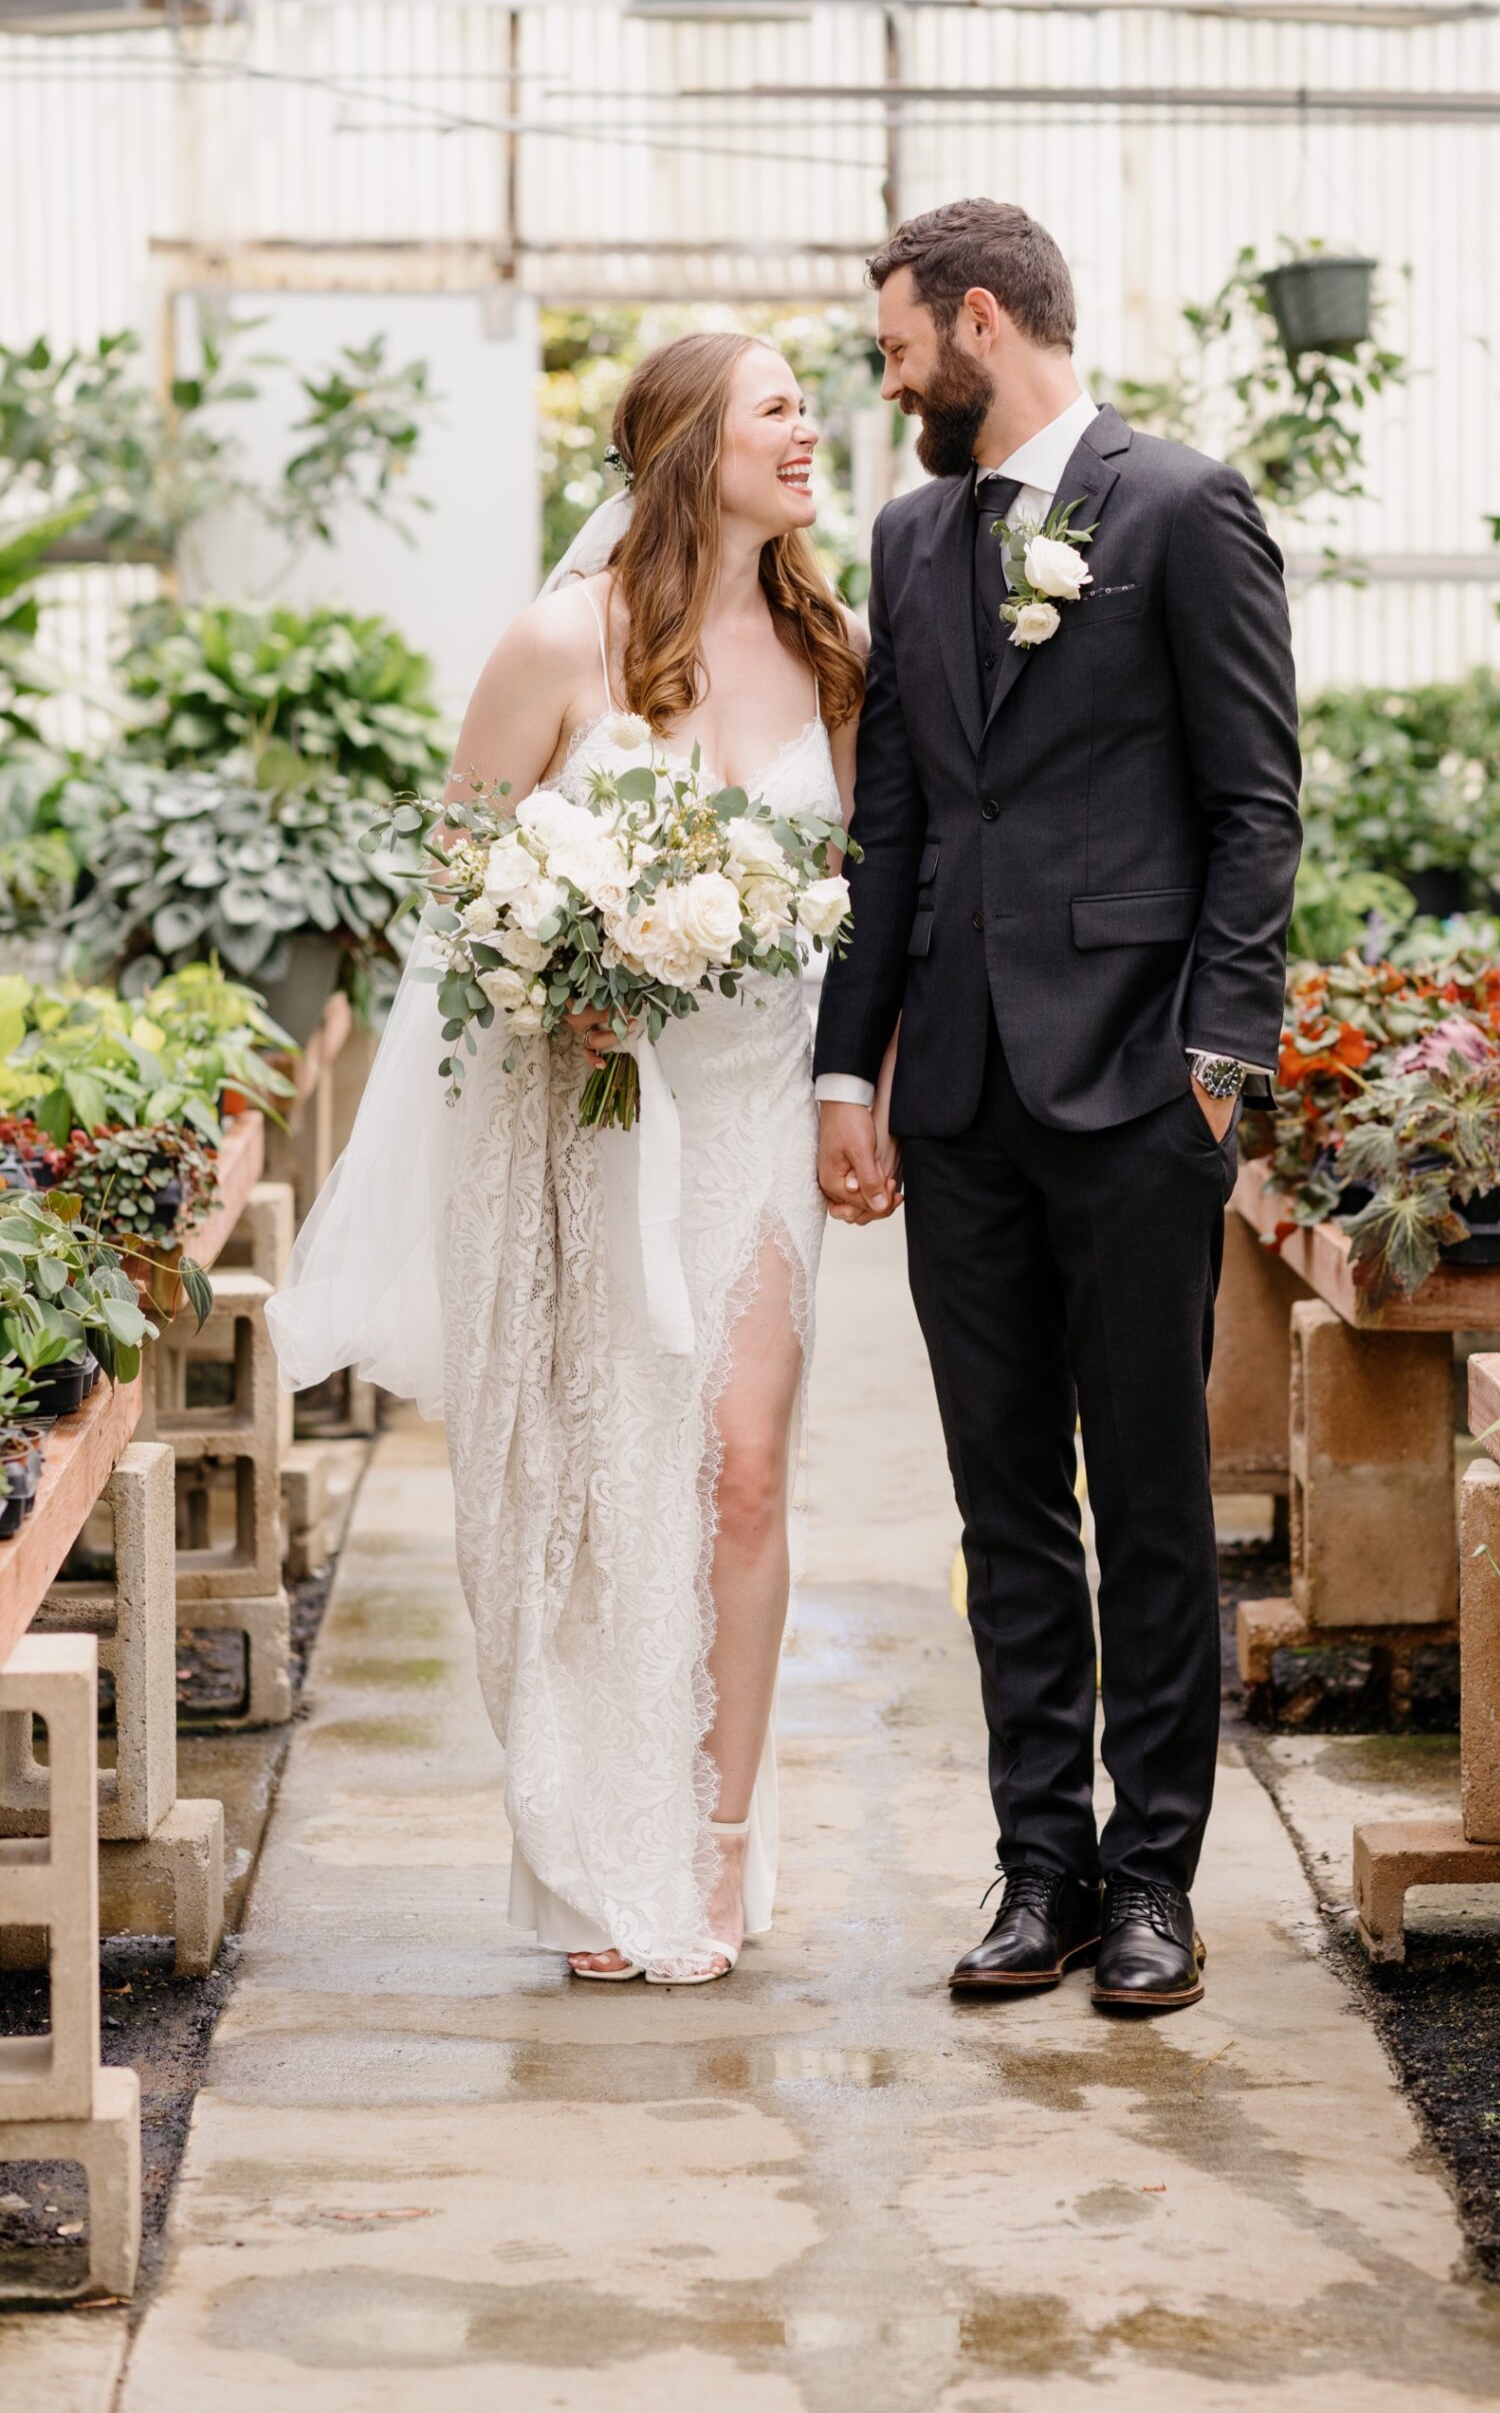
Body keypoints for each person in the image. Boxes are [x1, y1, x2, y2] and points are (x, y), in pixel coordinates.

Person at [269, 331, 873, 1985]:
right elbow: (460, 874)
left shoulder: (840, 652)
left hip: (749, 1107)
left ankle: (722, 1836)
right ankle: (606, 1845)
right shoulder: (560, 644)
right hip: (598, 1116)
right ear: (691, 447)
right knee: (615, 1488)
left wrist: (854, 1084)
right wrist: (559, 980)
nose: (811, 428)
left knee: (743, 1474)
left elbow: (875, 898)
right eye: (777, 409)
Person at [815, 199, 1301, 2011]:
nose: (887, 383)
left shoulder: (1182, 508)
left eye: (896, 350)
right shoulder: (908, 536)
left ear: (983, 321)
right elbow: (900, 830)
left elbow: (1258, 803)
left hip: (1136, 1083)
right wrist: (850, 1070)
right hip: (956, 1092)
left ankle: (1155, 1876)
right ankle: (1042, 1870)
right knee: (1002, 1500)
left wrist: (1218, 1053)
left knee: (1153, 1492)